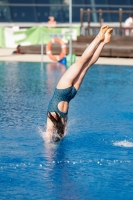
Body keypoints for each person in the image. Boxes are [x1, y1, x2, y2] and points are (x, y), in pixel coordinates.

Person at [45, 25, 113, 142]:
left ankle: (103, 42)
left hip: (71, 95)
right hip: (62, 91)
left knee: (87, 66)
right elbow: (47, 133)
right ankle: (98, 38)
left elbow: (55, 137)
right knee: (81, 62)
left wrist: (51, 147)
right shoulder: (51, 119)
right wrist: (47, 143)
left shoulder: (62, 125)